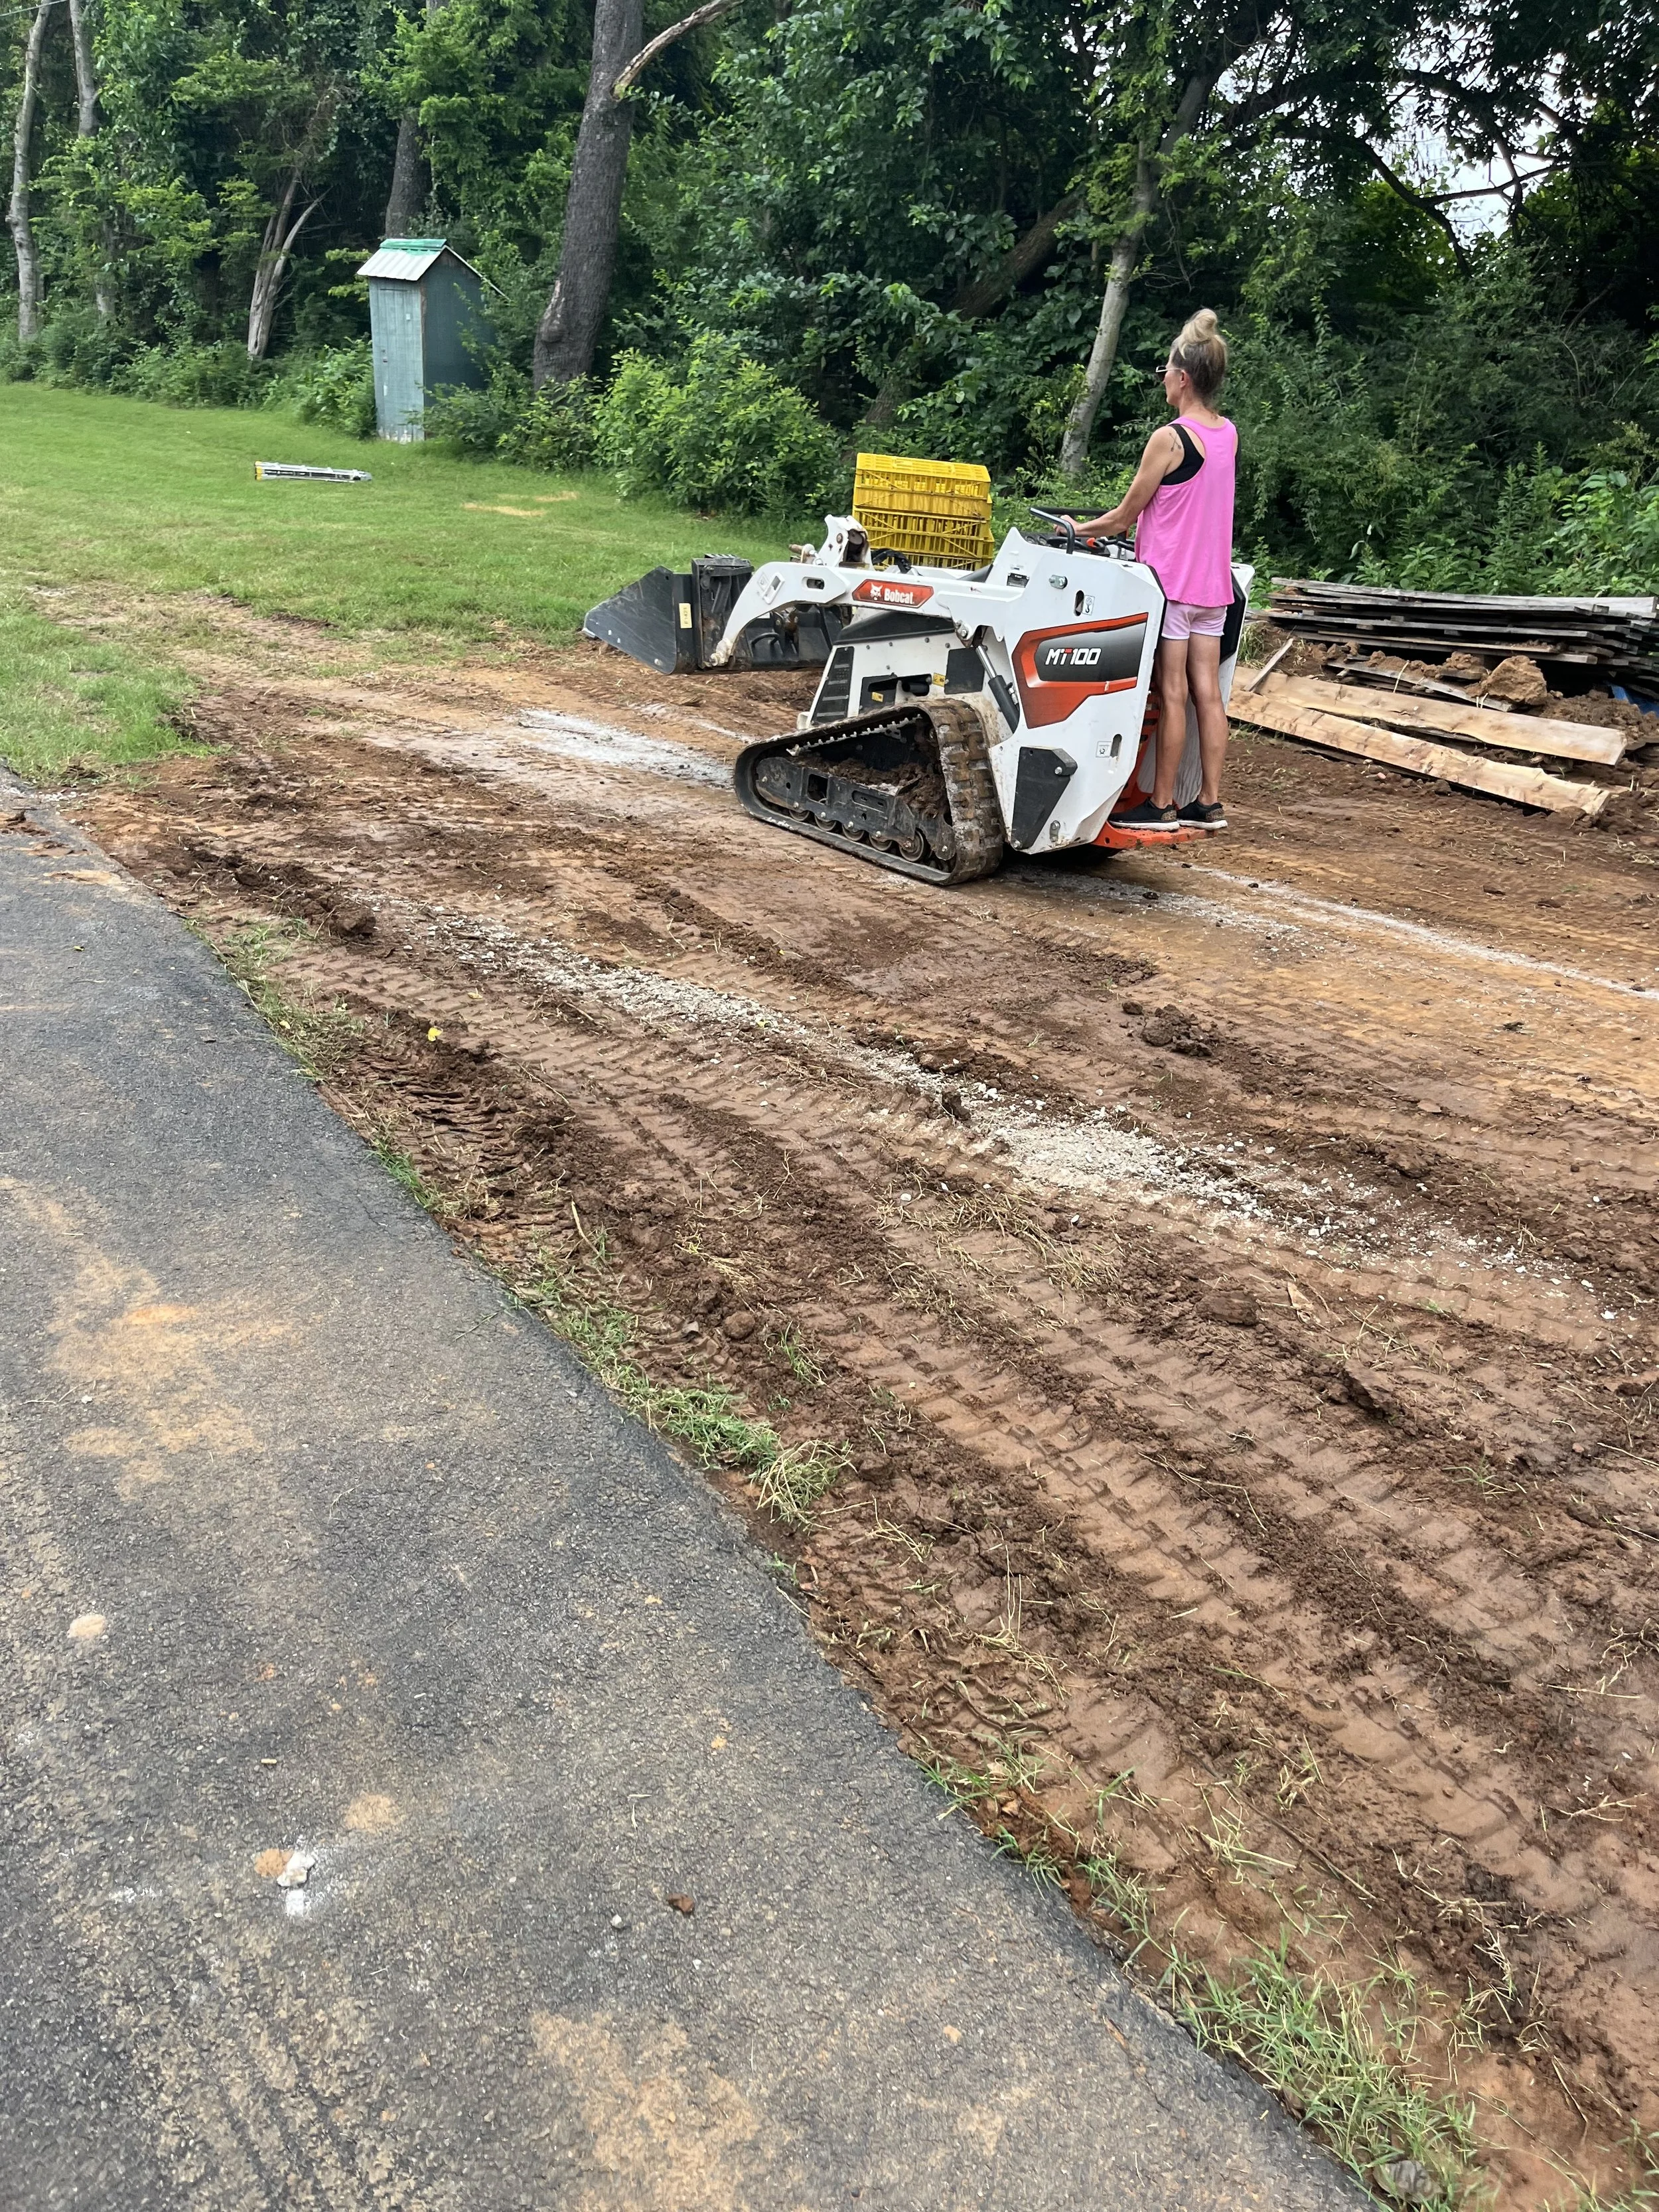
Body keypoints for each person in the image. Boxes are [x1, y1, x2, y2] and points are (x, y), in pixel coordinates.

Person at [1068, 308, 1238, 830]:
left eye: (1165, 370)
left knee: (1172, 693)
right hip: (1213, 589)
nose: (1162, 378)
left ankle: (1161, 802)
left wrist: (1077, 531)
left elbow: (1124, 516)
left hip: (1171, 589)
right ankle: (1207, 800)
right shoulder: (1227, 433)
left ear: (1183, 378)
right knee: (1207, 693)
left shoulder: (1170, 439)